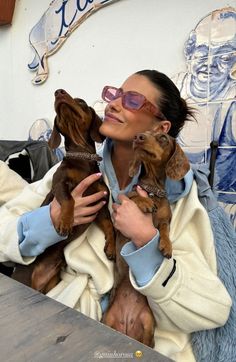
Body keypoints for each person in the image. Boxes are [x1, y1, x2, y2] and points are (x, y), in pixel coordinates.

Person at [0, 70, 234, 362]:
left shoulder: (180, 200)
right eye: (114, 94)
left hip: (141, 345)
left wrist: (148, 241)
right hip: (59, 325)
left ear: (161, 128)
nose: (113, 104)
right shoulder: (71, 174)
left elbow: (212, 309)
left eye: (133, 100)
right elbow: (3, 231)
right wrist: (49, 220)